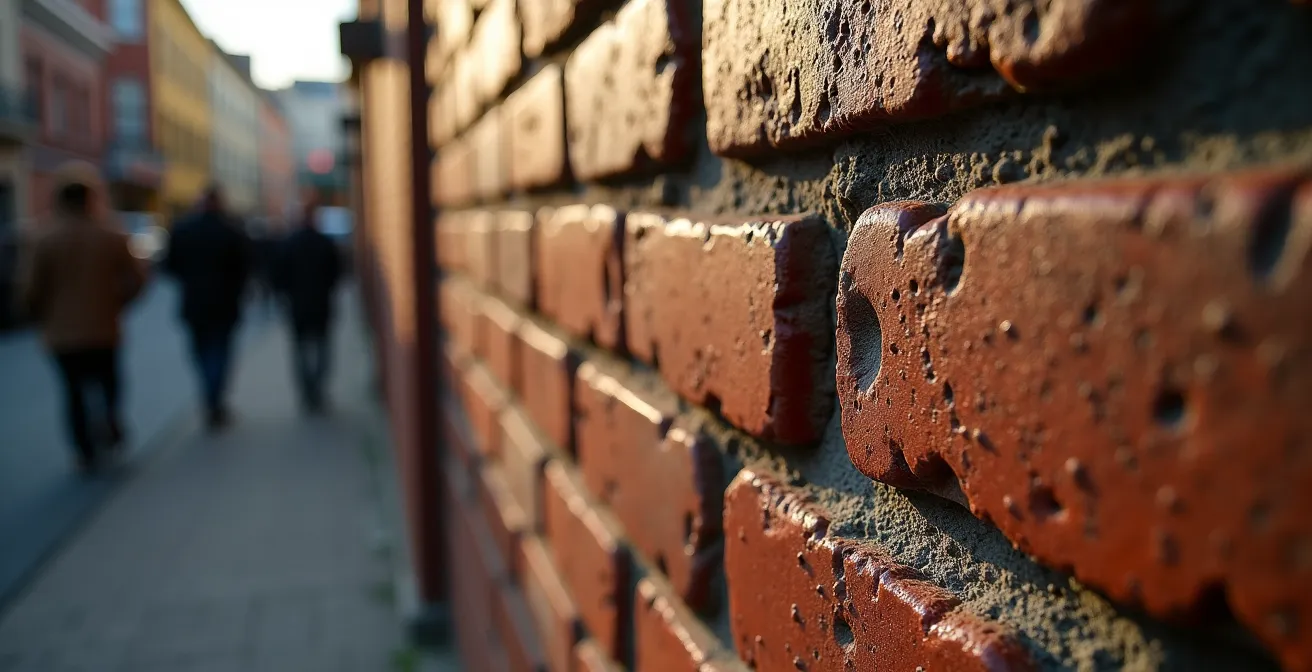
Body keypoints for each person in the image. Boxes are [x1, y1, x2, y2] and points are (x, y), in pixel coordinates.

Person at [18, 162, 147, 473]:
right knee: (109, 382)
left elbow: (30, 289)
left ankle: (84, 450)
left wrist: (41, 315)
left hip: (62, 334)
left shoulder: (44, 237)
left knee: (73, 391)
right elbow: (138, 279)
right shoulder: (110, 234)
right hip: (103, 328)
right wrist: (119, 303)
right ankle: (110, 423)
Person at [164, 185, 250, 430]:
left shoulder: (184, 230)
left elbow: (169, 266)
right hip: (224, 304)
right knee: (219, 353)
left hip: (196, 304)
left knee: (201, 352)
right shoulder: (231, 231)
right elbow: (244, 268)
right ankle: (214, 399)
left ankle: (211, 396)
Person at [273, 199, 341, 413]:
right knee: (321, 349)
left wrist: (286, 295)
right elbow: (336, 274)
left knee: (301, 350)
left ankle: (308, 391)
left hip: (298, 306)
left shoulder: (289, 243)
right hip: (320, 304)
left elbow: (279, 276)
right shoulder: (325, 242)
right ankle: (316, 389)